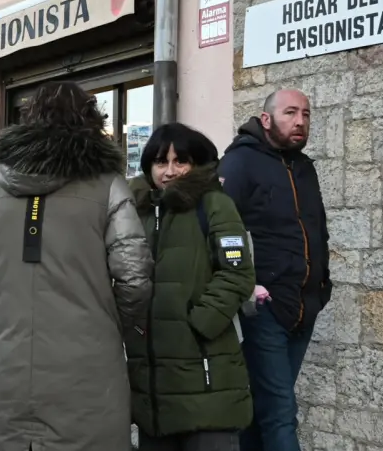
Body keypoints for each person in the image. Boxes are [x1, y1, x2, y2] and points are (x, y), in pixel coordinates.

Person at [0, 80, 153, 451]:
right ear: (91, 121)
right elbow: (134, 278)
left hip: (7, 362)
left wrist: (5, 308)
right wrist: (106, 319)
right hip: (88, 366)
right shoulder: (109, 186)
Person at [126, 122, 254, 451]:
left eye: (180, 161)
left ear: (196, 164)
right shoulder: (135, 211)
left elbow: (237, 273)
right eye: (160, 162)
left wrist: (199, 325)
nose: (169, 171)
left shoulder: (214, 204)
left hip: (206, 374)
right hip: (154, 390)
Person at [219, 89, 330, 451]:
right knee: (281, 412)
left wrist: (322, 287)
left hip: (304, 307)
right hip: (264, 310)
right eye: (290, 113)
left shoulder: (304, 168)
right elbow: (219, 231)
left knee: (262, 410)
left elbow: (318, 230)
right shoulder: (239, 163)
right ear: (266, 119)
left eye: (306, 114)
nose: (300, 121)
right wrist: (245, 285)